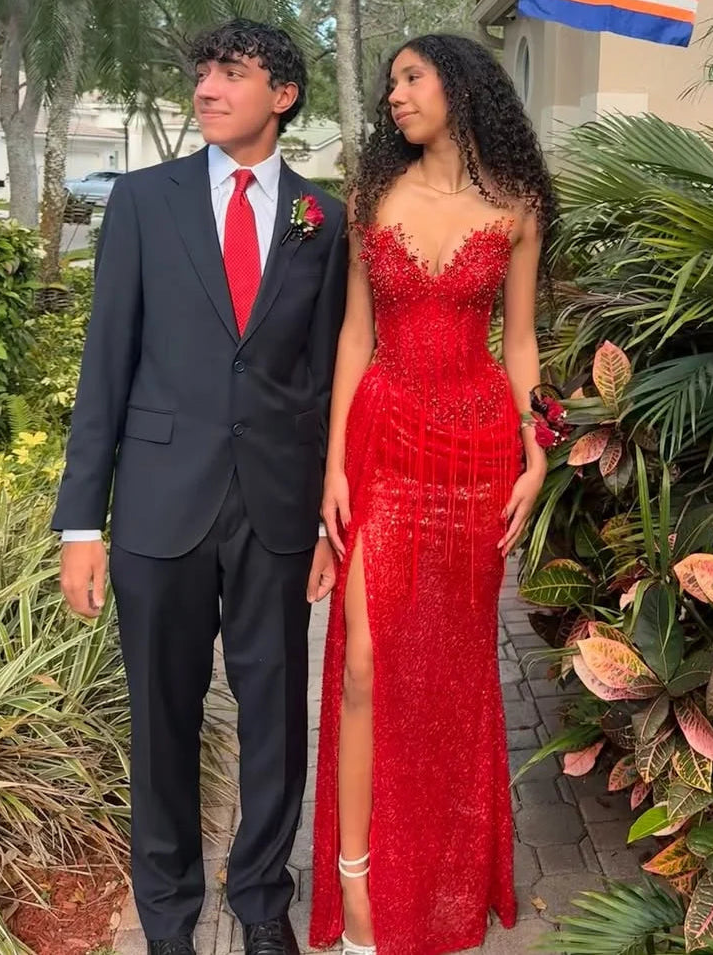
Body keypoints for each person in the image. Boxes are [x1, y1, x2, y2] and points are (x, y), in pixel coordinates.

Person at [52, 19, 347, 955]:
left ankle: (261, 900)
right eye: (203, 74)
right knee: (162, 720)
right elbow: (106, 361)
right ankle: (169, 917)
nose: (208, 89)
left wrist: (329, 517)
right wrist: (80, 524)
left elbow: (324, 375)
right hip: (158, 502)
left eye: (231, 73)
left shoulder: (322, 217)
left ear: (283, 96)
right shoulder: (145, 200)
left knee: (275, 717)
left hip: (276, 507)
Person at [309, 33, 557, 955]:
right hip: (385, 439)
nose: (396, 94)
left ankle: (446, 870)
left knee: (450, 668)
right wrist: (334, 466)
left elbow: (521, 343)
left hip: (478, 449)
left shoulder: (519, 204)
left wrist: (538, 450)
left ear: (463, 85)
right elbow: (354, 337)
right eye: (391, 83)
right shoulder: (374, 195)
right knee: (365, 663)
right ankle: (357, 884)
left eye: (412, 77)